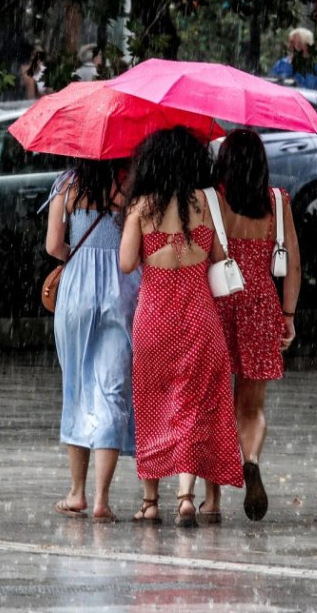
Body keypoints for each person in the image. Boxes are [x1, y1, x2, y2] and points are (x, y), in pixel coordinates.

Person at [119, 127, 244, 525]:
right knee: (192, 404)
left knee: (152, 403)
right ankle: (186, 497)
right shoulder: (207, 203)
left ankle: (150, 501)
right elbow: (219, 255)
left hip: (154, 320)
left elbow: (126, 263)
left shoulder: (141, 206)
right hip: (199, 318)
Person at [200, 129, 301, 523]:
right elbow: (293, 265)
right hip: (261, 306)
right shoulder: (277, 202)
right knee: (251, 407)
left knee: (213, 404)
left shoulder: (213, 201)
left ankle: (212, 500)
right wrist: (288, 316)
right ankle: (252, 460)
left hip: (219, 303)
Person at [46, 159, 141, 523]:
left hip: (77, 292)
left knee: (77, 387)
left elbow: (53, 245)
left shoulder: (67, 185)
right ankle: (102, 497)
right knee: (112, 391)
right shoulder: (130, 187)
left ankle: (77, 492)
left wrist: (78, 257)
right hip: (122, 290)